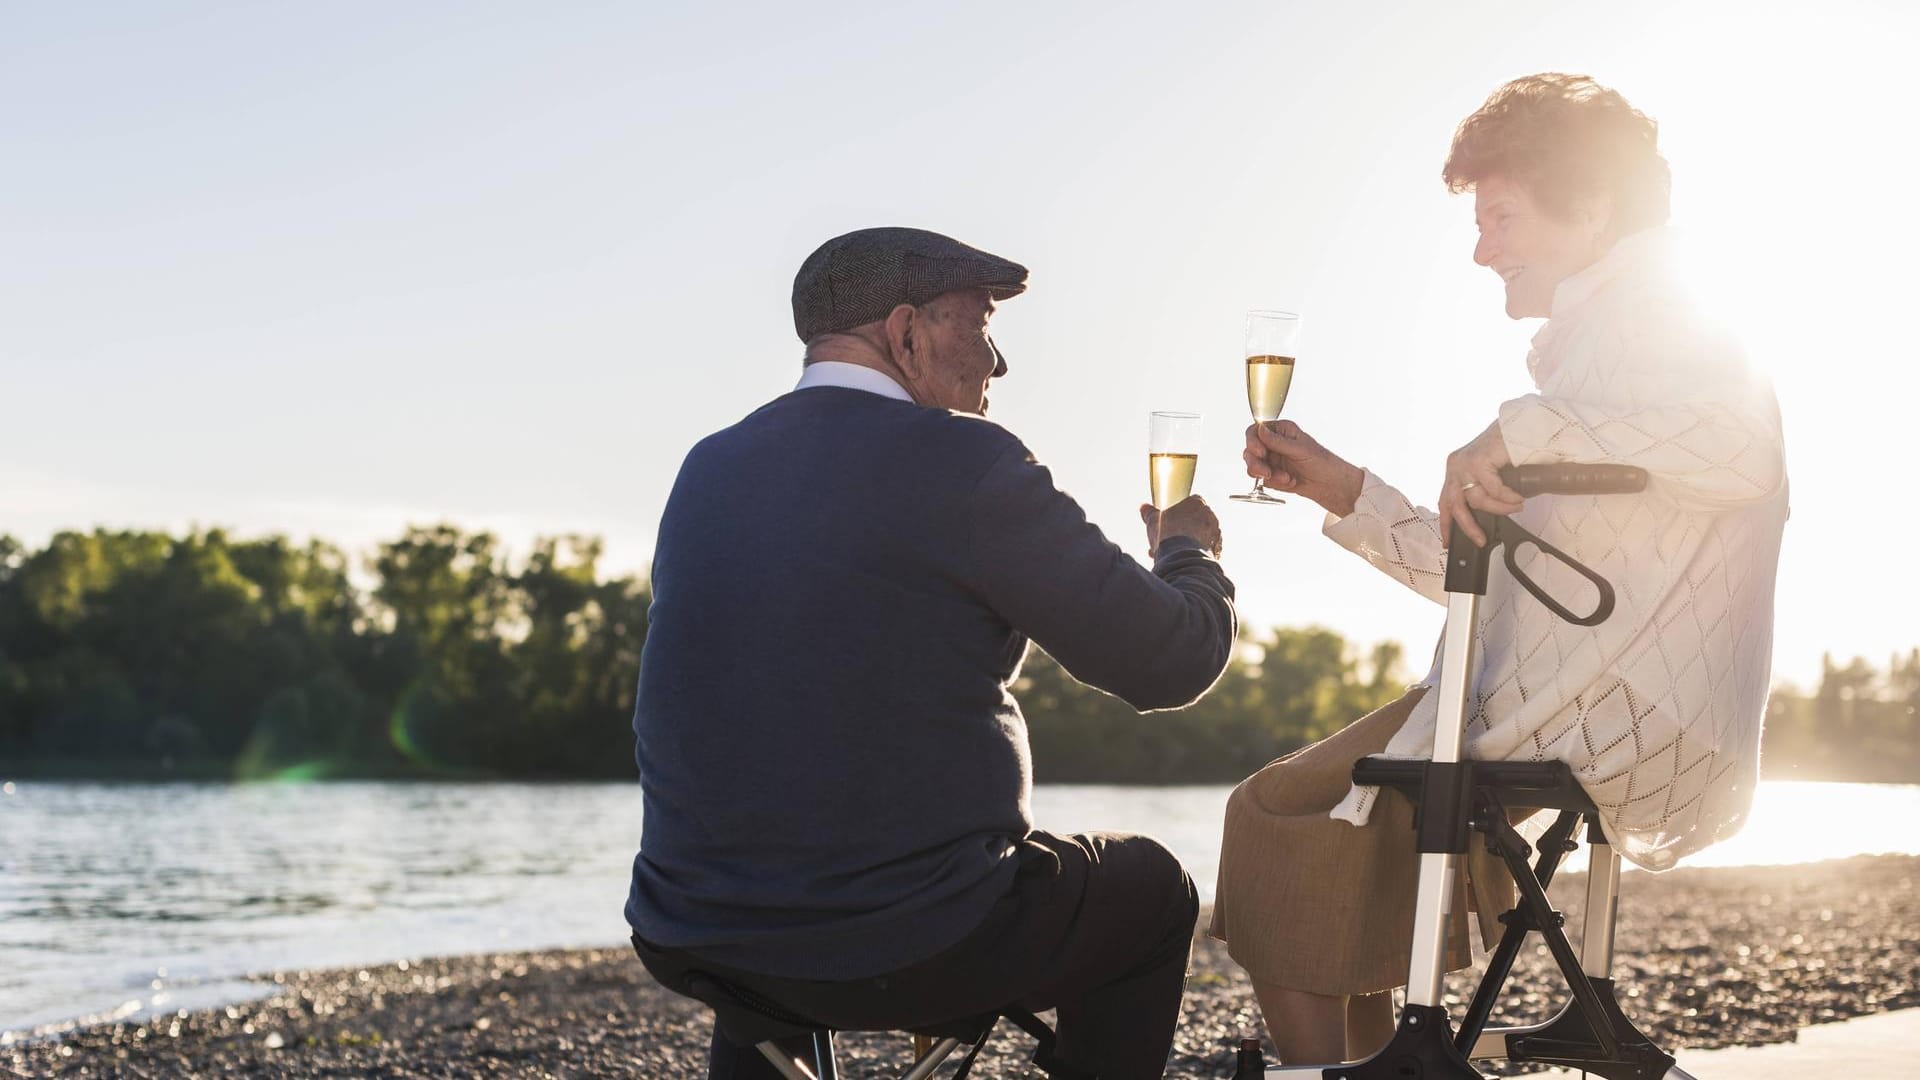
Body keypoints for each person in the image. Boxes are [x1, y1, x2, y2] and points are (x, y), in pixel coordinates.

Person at [1210, 74, 1788, 1064]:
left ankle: (1333, 1068)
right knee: (1343, 834)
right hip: (1585, 685)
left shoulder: (1655, 316)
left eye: (1503, 217)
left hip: (1611, 704)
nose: (1481, 249)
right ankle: (1362, 1062)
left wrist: (1526, 426)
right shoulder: (1608, 340)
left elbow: (1742, 450)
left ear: (1593, 207)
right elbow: (1499, 577)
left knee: (1274, 819)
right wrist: (1346, 489)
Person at [627, 226, 1239, 1080]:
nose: (998, 364)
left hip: (690, 928)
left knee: (781, 914)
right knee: (1151, 891)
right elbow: (1168, 660)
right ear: (908, 333)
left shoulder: (711, 465)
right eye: (983, 323)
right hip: (908, 939)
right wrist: (1189, 555)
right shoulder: (965, 460)